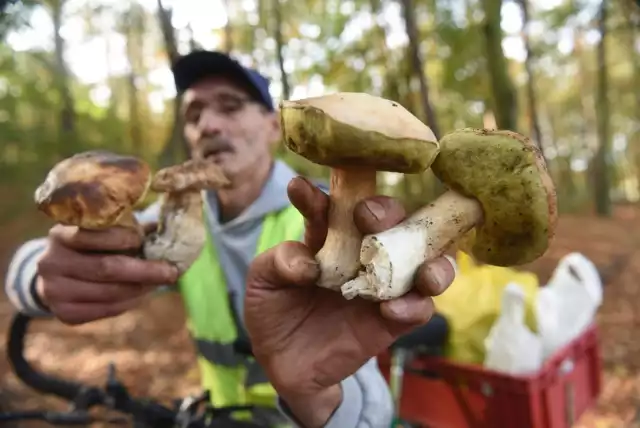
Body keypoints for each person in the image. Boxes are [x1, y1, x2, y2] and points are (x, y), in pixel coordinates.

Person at [4, 50, 456, 428]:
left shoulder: (328, 218)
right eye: (194, 113)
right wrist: (39, 277)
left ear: (274, 126)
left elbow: (369, 409)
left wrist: (322, 401)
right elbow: (50, 258)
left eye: (230, 105)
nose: (209, 126)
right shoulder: (178, 213)